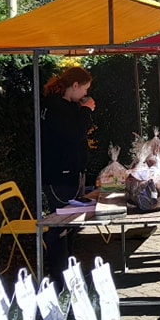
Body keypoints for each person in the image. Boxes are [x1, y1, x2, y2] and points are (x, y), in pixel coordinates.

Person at [40, 65, 96, 287]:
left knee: (70, 225)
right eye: (84, 89)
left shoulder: (63, 105)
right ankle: (59, 274)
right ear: (74, 86)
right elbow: (74, 133)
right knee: (62, 223)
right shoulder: (56, 107)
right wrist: (86, 111)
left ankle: (66, 266)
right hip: (61, 175)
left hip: (71, 172)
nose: (85, 95)